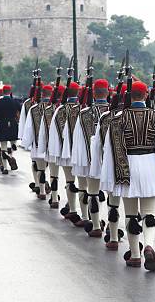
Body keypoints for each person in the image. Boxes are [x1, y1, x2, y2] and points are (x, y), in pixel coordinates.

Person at [100, 81, 155, 271]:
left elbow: (112, 151)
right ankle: (149, 245)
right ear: (145, 96)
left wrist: (115, 175)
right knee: (149, 212)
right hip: (151, 164)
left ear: (129, 95)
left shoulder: (117, 119)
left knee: (131, 214)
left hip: (127, 165)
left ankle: (135, 255)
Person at [71, 79, 110, 237]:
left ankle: (95, 225)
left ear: (93, 93)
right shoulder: (116, 112)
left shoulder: (84, 113)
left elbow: (79, 139)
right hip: (112, 160)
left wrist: (81, 162)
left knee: (91, 192)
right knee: (112, 197)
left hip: (91, 159)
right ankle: (112, 229)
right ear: (108, 92)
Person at [48, 82, 83, 224]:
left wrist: (56, 152)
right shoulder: (84, 108)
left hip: (66, 151)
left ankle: (73, 209)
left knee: (70, 181)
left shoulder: (60, 109)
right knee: (84, 185)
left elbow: (54, 132)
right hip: (82, 154)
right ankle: (87, 215)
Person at [21, 84, 54, 200]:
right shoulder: (56, 108)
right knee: (52, 172)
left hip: (38, 144)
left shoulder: (33, 109)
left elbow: (29, 128)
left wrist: (26, 142)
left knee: (40, 169)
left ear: (42, 94)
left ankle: (42, 191)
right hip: (53, 146)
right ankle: (53, 195)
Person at [0, 85, 20, 175]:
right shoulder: (15, 101)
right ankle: (11, 154)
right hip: (13, 123)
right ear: (10, 91)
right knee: (12, 143)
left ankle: (5, 168)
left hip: (2, 123)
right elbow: (20, 111)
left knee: (3, 147)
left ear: (3, 92)